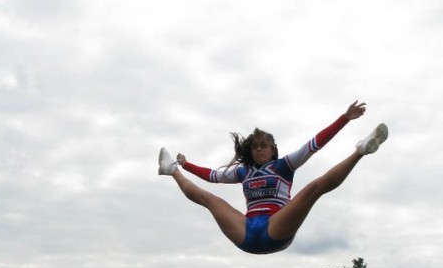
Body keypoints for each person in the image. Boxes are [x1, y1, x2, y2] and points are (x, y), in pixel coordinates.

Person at [158, 102, 388, 254]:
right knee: (209, 199)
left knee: (312, 189)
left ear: (273, 149)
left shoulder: (284, 165)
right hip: (247, 233)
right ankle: (171, 170)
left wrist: (345, 118)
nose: (259, 149)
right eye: (255, 146)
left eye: (264, 146)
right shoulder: (243, 172)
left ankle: (361, 150)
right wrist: (185, 165)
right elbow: (211, 176)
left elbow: (315, 144)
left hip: (275, 228)